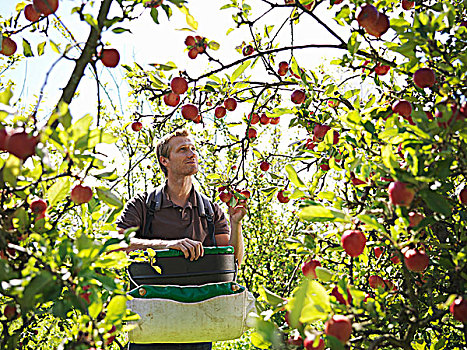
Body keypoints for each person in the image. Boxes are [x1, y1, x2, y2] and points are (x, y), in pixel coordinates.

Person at [116, 129, 247, 350]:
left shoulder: (210, 210)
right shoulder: (143, 204)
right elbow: (116, 245)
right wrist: (167, 245)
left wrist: (236, 224)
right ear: (164, 161)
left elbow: (232, 262)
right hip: (151, 326)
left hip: (198, 325)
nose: (192, 154)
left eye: (193, 148)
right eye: (183, 149)